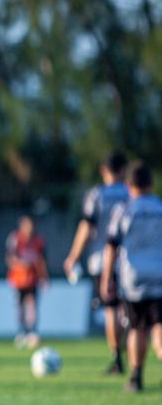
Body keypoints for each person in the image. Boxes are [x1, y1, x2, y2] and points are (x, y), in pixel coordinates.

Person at [64, 150, 129, 374]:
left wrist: (73, 255)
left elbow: (86, 227)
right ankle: (131, 338)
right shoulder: (132, 194)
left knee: (111, 310)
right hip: (132, 263)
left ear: (103, 170)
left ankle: (117, 358)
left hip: (102, 261)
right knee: (128, 310)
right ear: (124, 170)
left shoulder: (97, 195)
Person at [101, 162, 162, 393]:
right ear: (152, 183)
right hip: (159, 273)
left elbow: (111, 246)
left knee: (136, 326)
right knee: (159, 325)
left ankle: (136, 377)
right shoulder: (160, 207)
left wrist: (108, 277)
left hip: (133, 276)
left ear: (129, 185)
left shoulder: (124, 210)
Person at [5, 215, 49, 348]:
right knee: (20, 306)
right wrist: (22, 264)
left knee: (33, 305)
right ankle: (21, 332)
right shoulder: (15, 239)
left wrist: (45, 278)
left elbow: (42, 261)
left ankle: (32, 332)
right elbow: (10, 258)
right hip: (18, 279)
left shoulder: (38, 241)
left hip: (33, 279)